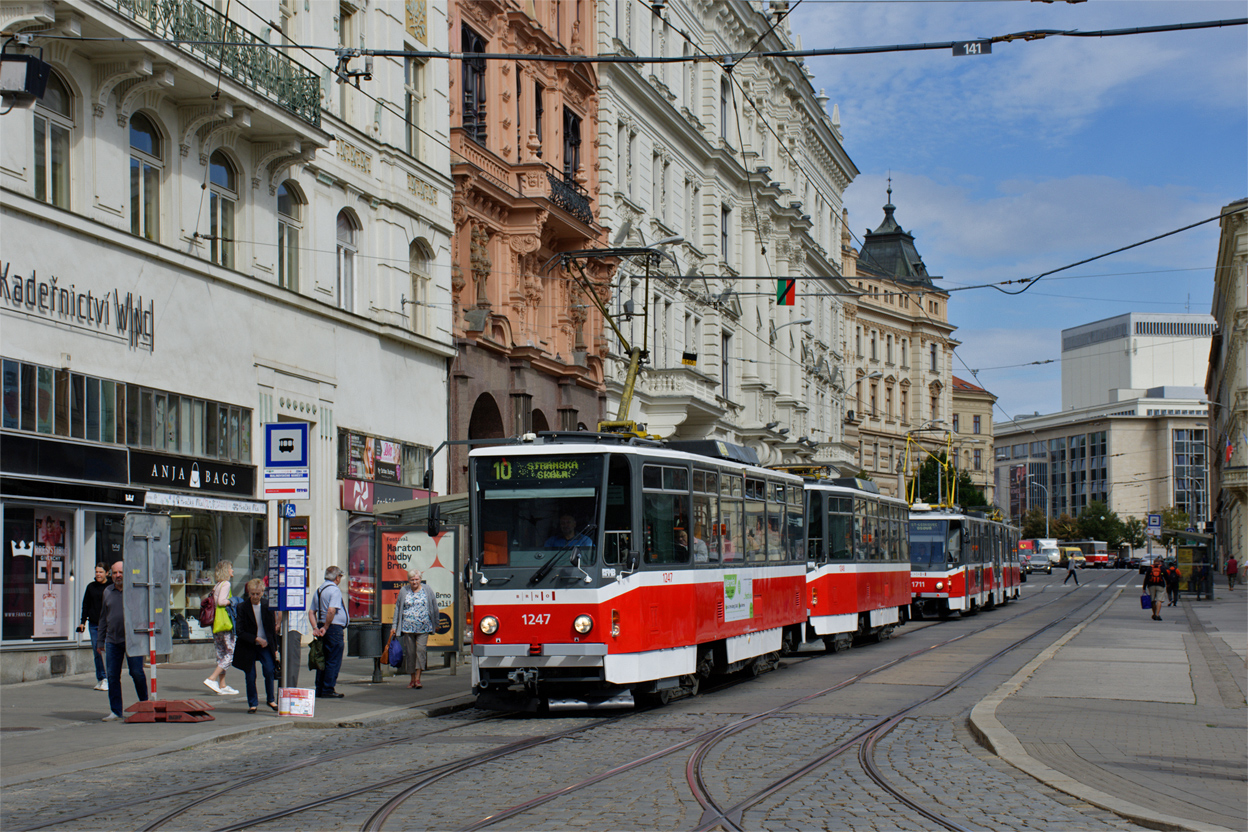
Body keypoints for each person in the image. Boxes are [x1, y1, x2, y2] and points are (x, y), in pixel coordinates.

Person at [96, 561, 148, 721]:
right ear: (110, 574)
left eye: (121, 572)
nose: (118, 575)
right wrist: (100, 641)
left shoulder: (135, 591)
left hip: (134, 640)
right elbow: (103, 618)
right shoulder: (107, 592)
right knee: (112, 675)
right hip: (113, 640)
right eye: (115, 572)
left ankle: (145, 706)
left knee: (136, 672)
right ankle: (116, 711)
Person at [233, 579, 279, 713]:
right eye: (252, 594)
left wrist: (275, 649)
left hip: (265, 644)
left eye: (257, 594)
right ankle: (253, 703)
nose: (254, 597)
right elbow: (240, 631)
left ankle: (271, 699)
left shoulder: (267, 606)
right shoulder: (242, 607)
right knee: (250, 675)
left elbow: (271, 630)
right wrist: (255, 639)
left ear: (262, 593)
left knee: (269, 670)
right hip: (249, 644)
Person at [387, 570, 437, 689]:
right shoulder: (404, 591)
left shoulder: (427, 590)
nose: (414, 582)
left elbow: (434, 606)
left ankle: (418, 679)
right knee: (410, 653)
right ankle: (412, 678)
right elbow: (398, 609)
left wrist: (436, 622)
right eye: (412, 580)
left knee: (420, 651)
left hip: (423, 626)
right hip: (407, 627)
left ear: (420, 579)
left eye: (416, 579)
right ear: (408, 580)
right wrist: (394, 626)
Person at [310, 566, 347, 699]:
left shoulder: (319, 590)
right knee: (333, 659)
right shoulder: (334, 590)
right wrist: (326, 627)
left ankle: (319, 688)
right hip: (333, 628)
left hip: (321, 626)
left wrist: (316, 627)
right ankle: (328, 689)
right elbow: (331, 610)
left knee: (322, 658)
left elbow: (311, 612)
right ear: (337, 577)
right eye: (340, 577)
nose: (340, 579)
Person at [203, 561, 239, 695]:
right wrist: (233, 600)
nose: (233, 571)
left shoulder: (217, 585)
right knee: (229, 653)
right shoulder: (226, 584)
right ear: (226, 570)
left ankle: (222, 684)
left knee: (221, 653)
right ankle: (212, 678)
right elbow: (221, 602)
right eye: (231, 568)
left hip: (216, 623)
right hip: (224, 623)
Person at [77, 563, 110, 691]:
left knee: (106, 652)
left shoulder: (111, 587)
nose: (98, 574)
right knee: (97, 651)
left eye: (101, 572)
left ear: (107, 573)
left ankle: (108, 678)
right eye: (96, 572)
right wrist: (82, 622)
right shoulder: (91, 587)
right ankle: (100, 678)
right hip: (94, 624)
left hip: (108, 624)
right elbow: (86, 605)